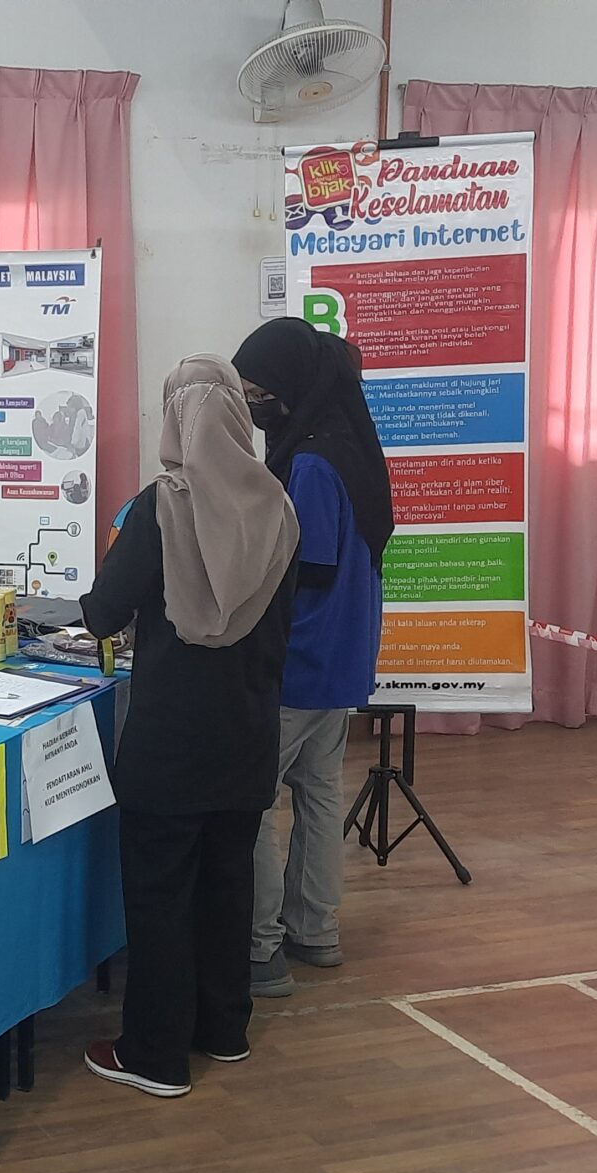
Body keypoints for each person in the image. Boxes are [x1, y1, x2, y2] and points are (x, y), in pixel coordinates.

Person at [78, 354, 300, 1097]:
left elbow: (103, 612)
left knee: (160, 894)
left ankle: (154, 1055)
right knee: (227, 884)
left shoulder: (159, 507)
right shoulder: (277, 505)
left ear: (176, 418)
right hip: (248, 733)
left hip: (171, 741)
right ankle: (224, 1029)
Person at [227, 318, 395, 998]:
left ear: (291, 385)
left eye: (257, 391)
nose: (252, 404)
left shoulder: (313, 466)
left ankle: (260, 947)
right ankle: (316, 930)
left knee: (252, 802)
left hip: (299, 662)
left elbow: (306, 570)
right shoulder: (351, 448)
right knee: (321, 795)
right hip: (343, 660)